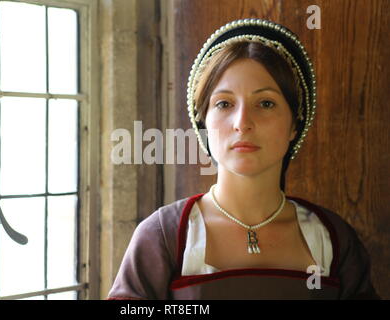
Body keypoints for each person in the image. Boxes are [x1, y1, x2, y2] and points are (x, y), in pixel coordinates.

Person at [107, 18, 380, 300]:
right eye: (224, 103)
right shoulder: (164, 236)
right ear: (203, 122)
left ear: (294, 126)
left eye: (265, 103)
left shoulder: (332, 239)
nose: (242, 122)